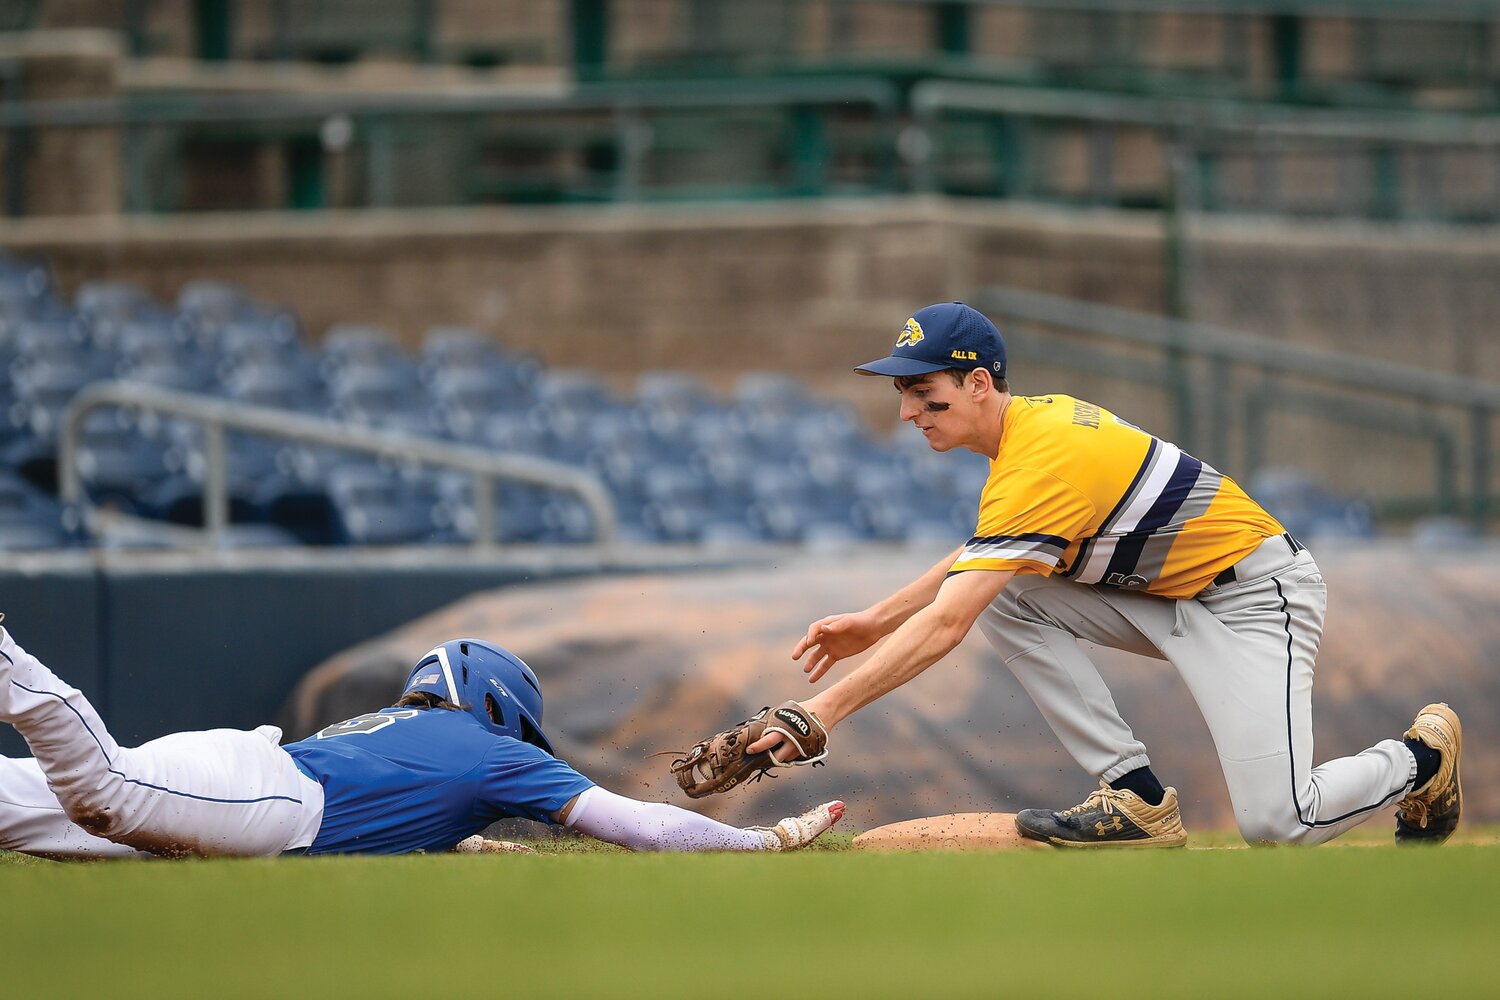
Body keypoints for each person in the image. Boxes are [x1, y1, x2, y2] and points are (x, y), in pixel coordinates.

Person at [748, 301, 1461, 848]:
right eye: (902, 393)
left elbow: (948, 622)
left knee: (1280, 821)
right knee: (1005, 590)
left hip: (1254, 600)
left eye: (923, 392)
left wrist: (818, 713)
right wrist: (875, 621)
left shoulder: (1043, 456)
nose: (907, 411)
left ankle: (1420, 761)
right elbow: (980, 561)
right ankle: (1135, 796)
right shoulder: (1026, 435)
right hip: (1173, 598)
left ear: (976, 383)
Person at [0, 615, 842, 859]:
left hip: (241, 782)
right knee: (100, 787)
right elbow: (635, 822)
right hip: (263, 801)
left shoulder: (403, 734)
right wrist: (754, 843)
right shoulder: (488, 748)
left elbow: (408, 821)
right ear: (500, 707)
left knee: (17, 809)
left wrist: (477, 850)